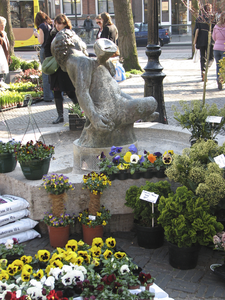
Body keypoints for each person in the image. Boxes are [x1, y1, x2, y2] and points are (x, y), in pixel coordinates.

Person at [51, 31, 158, 148]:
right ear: (71, 42)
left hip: (116, 101)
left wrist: (104, 61)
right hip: (112, 109)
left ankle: (143, 115)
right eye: (78, 38)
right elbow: (81, 92)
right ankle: (141, 115)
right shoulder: (81, 61)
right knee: (152, 102)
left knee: (128, 97)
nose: (82, 41)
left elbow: (112, 82)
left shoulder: (76, 61)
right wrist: (94, 118)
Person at [45, 14, 82, 124]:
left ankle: (80, 111)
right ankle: (60, 116)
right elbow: (46, 48)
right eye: (55, 23)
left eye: (59, 23)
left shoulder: (70, 34)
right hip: (56, 68)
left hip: (66, 68)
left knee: (70, 91)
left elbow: (76, 47)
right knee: (57, 91)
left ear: (65, 23)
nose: (57, 26)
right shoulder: (52, 34)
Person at [34, 11, 54, 102]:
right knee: (53, 72)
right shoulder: (50, 25)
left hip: (44, 51)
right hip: (51, 50)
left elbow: (41, 41)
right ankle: (57, 94)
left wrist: (37, 35)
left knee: (45, 73)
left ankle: (48, 96)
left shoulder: (41, 26)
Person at [193, 4, 215, 82]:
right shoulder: (212, 18)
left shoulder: (199, 19)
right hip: (211, 40)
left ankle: (203, 71)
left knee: (202, 57)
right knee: (211, 58)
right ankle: (206, 69)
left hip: (201, 41)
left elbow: (195, 31)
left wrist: (195, 41)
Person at [212, 11, 225, 90]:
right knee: (224, 67)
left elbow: (214, 37)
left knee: (218, 65)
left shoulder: (216, 26)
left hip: (216, 48)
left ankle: (218, 80)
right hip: (224, 49)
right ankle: (222, 79)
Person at [0, 16, 11, 82]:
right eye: (1, 25)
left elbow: (7, 47)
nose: (3, 27)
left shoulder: (4, 34)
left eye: (4, 25)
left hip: (5, 58)